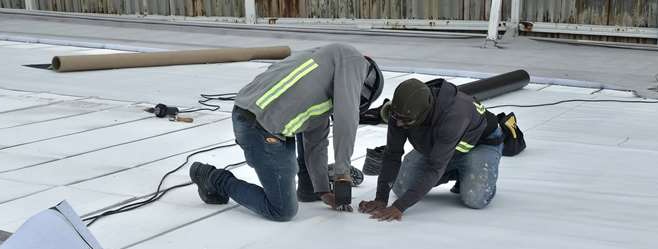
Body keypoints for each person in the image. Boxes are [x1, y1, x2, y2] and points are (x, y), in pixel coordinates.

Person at [188, 43, 383, 221]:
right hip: (257, 126)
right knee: (282, 210)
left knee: (308, 153)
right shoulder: (353, 59)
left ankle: (309, 189)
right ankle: (214, 178)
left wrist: (323, 191)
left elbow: (316, 143)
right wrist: (342, 174)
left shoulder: (325, 71)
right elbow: (346, 118)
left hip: (266, 125)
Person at [360, 78, 504, 222]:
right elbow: (392, 155)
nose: (398, 123)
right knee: (402, 188)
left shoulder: (454, 115)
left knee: (475, 198)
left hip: (479, 144)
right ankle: (455, 171)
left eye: (405, 120)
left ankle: (467, 173)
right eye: (396, 117)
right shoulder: (400, 112)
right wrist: (381, 199)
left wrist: (399, 207)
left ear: (424, 112)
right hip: (440, 147)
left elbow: (434, 167)